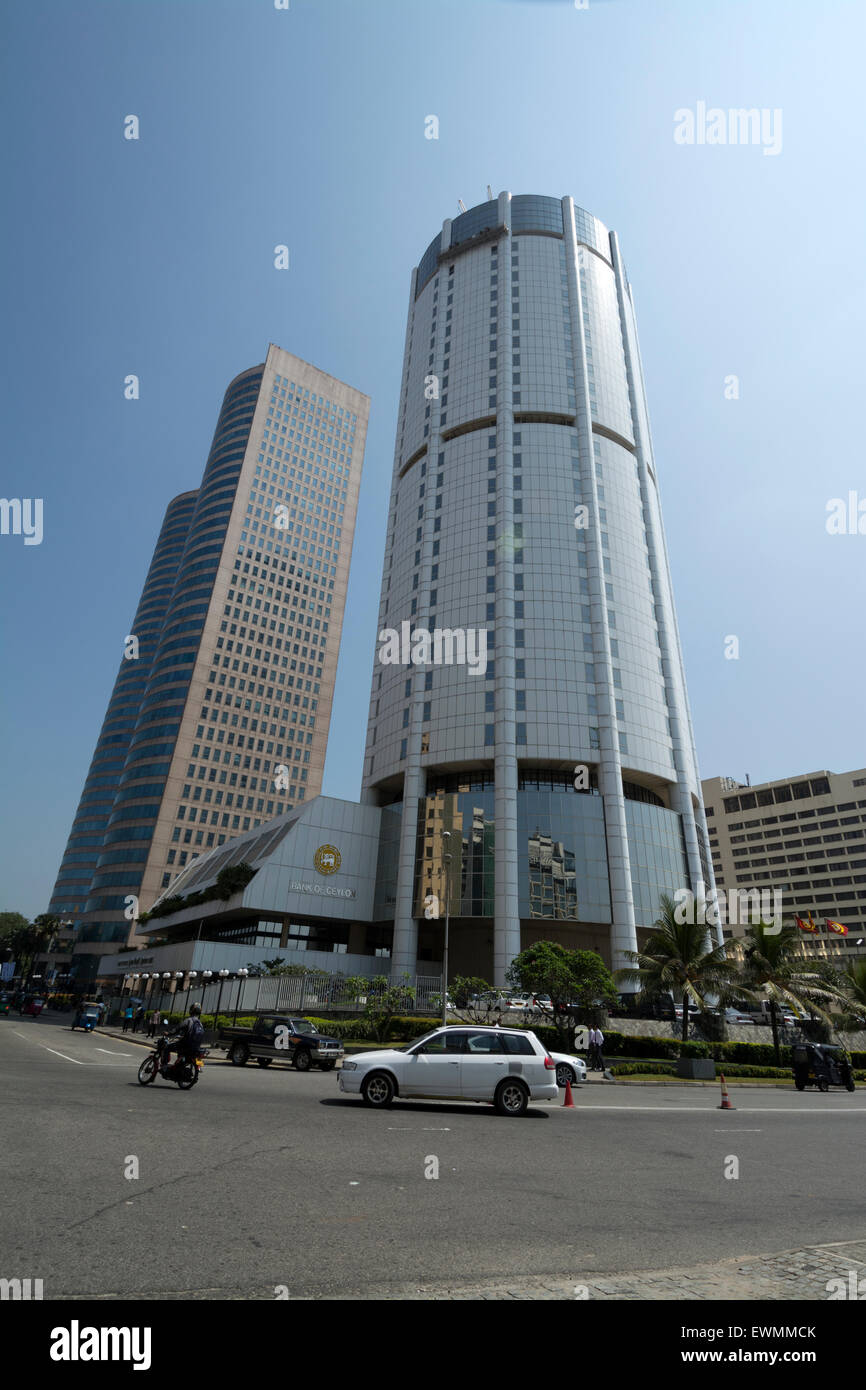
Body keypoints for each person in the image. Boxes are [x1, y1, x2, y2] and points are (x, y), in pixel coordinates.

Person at [161, 1003, 205, 1075]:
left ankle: (164, 1066)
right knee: (183, 1052)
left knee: (167, 1047)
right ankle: (179, 1066)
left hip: (186, 1045)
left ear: (191, 1011)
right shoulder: (200, 1023)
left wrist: (168, 1033)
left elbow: (178, 1029)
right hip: (196, 1047)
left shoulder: (189, 1020)